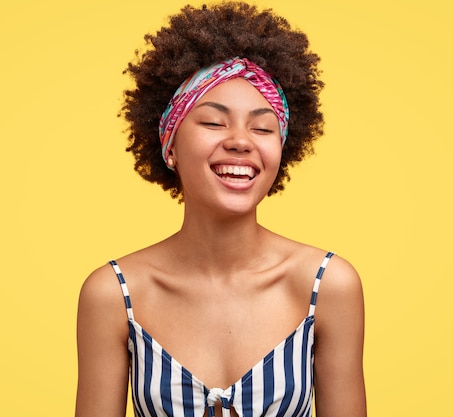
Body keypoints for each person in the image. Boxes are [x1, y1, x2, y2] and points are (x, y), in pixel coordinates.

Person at [75, 2, 366, 417]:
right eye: (214, 122)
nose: (241, 141)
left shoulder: (328, 286)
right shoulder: (114, 295)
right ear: (170, 146)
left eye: (263, 128)